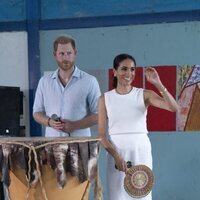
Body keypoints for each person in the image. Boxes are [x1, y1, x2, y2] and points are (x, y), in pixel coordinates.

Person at [98, 53, 178, 200]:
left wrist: (157, 83)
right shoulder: (105, 99)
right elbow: (101, 136)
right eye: (124, 69)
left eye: (132, 69)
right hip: (116, 152)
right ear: (115, 71)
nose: (129, 73)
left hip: (140, 151)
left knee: (141, 195)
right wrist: (116, 156)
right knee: (117, 196)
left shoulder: (144, 94)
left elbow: (173, 108)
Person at [33, 35, 101, 137]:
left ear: (75, 53)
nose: (65, 58)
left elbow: (99, 115)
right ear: (54, 54)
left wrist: (74, 125)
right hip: (52, 145)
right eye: (61, 53)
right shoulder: (44, 82)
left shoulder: (89, 81)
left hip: (80, 145)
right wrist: (49, 122)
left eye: (69, 53)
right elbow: (37, 113)